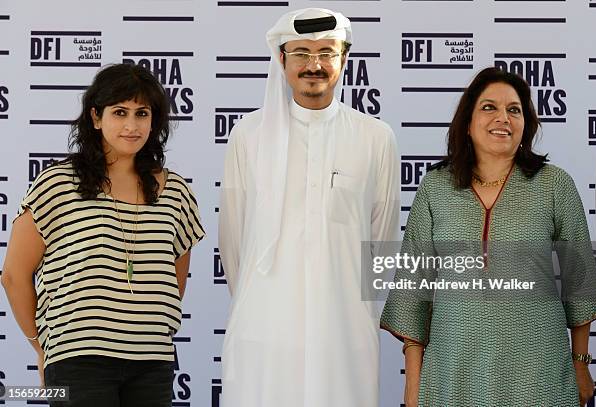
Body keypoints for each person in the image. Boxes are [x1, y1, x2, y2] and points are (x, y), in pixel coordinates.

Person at [380, 67, 596, 407]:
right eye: (489, 107)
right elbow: (413, 290)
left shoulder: (554, 184)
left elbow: (581, 283)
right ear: (468, 123)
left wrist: (581, 363)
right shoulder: (435, 187)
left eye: (514, 110)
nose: (503, 117)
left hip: (539, 372)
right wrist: (413, 387)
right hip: (451, 372)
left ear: (526, 125)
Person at [219, 8, 399, 407]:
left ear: (343, 59)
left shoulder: (375, 137)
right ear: (281, 59)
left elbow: (383, 242)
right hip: (265, 330)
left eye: (325, 53)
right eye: (300, 53)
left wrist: (354, 314)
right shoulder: (248, 135)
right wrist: (263, 298)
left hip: (345, 333)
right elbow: (234, 241)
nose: (313, 65)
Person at [1, 63, 205, 407]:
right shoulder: (58, 183)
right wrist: (40, 344)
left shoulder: (176, 192)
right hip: (77, 360)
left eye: (142, 113)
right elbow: (13, 275)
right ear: (96, 118)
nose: (131, 125)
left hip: (153, 360)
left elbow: (173, 280)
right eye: (119, 112)